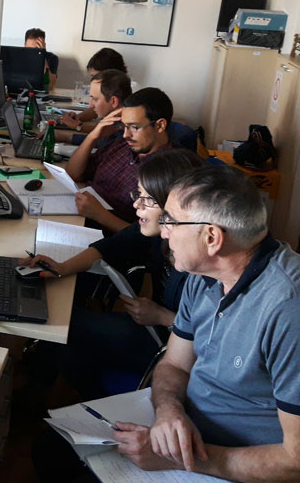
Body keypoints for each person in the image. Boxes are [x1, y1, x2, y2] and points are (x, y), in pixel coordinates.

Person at [114, 166, 300, 482]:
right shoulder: (203, 275)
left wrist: (184, 458)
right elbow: (174, 364)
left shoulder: (298, 312)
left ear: (211, 238)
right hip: (200, 445)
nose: (164, 231)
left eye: (170, 220)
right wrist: (170, 412)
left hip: (243, 469)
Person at [25, 149, 205, 390]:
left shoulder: (200, 265)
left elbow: (213, 338)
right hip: (152, 326)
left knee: (64, 326)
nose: (136, 204)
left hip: (173, 348)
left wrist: (163, 316)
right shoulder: (159, 232)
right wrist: (62, 267)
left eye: (147, 200)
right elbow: (113, 245)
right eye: (138, 195)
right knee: (66, 339)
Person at [66, 87, 174, 233]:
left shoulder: (169, 169)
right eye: (124, 126)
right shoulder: (123, 145)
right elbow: (73, 174)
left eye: (134, 127)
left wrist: (100, 215)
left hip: (109, 236)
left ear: (160, 126)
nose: (125, 135)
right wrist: (93, 136)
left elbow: (151, 239)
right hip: (80, 215)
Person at [60, 48, 129, 133]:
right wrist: (77, 118)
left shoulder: (124, 107)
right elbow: (95, 110)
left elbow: (106, 131)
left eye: (95, 76)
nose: (92, 80)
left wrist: (78, 126)